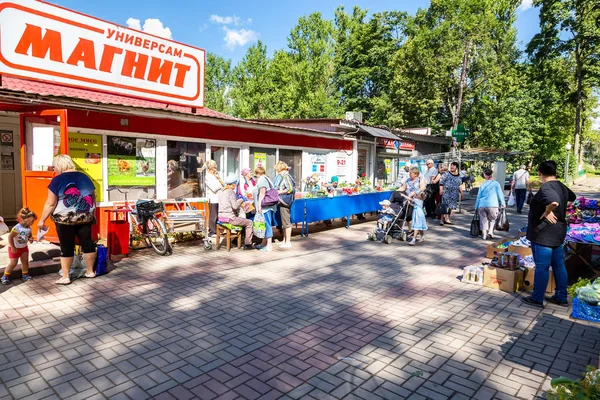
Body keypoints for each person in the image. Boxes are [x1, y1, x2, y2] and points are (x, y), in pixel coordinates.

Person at [522, 161, 576, 308]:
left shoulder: (547, 187)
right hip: (558, 233)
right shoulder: (561, 185)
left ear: (540, 173)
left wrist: (547, 211)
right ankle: (561, 296)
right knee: (559, 266)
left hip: (543, 234)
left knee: (542, 267)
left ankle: (537, 298)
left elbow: (555, 202)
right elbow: (572, 197)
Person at [38, 155, 97, 285]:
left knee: (66, 246)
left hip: (65, 219)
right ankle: (90, 271)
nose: (55, 169)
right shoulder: (84, 177)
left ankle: (65, 276)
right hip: (85, 217)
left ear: (59, 166)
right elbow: (93, 197)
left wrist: (42, 220)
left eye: (55, 167)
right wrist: (94, 213)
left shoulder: (57, 180)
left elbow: (50, 204)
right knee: (87, 243)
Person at [218, 175, 255, 250]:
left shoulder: (222, 191)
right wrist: (241, 200)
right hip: (229, 218)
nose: (235, 186)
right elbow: (235, 206)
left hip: (221, 217)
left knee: (241, 220)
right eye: (235, 184)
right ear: (233, 184)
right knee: (249, 222)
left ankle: (236, 240)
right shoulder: (231, 192)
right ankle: (248, 244)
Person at [2, 208, 37, 285]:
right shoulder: (17, 228)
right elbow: (10, 237)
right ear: (26, 219)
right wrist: (13, 247)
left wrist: (30, 239)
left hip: (24, 248)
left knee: (25, 262)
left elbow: (29, 236)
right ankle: (5, 276)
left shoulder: (29, 227)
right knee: (13, 263)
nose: (32, 222)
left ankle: (25, 275)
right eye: (32, 221)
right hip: (14, 248)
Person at [475, 169, 506, 240]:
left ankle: (484, 235)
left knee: (483, 220)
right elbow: (500, 194)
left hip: (482, 205)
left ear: (485, 175)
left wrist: (476, 206)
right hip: (493, 205)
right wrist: (503, 203)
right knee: (493, 219)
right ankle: (491, 231)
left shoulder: (482, 185)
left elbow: (478, 196)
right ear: (491, 175)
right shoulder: (496, 184)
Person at [254, 166, 277, 252]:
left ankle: (269, 245)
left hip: (265, 207)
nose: (256, 176)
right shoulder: (267, 178)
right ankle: (263, 243)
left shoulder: (261, 180)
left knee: (267, 225)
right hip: (269, 206)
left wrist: (259, 205)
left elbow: (262, 193)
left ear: (258, 173)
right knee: (265, 224)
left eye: (256, 174)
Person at [274, 161, 295, 248]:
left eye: (277, 169)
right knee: (284, 222)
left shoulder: (286, 177)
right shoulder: (284, 176)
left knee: (286, 222)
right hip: (282, 201)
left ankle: (288, 242)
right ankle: (284, 240)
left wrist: (279, 191)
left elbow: (290, 189)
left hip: (284, 201)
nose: (276, 171)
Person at [439, 161, 463, 226]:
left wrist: (462, 193)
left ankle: (447, 219)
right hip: (446, 193)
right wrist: (441, 190)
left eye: (454, 165)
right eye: (451, 165)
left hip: (454, 194)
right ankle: (441, 220)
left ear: (456, 167)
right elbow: (441, 182)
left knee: (451, 207)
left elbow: (460, 185)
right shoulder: (446, 174)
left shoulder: (459, 176)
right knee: (444, 206)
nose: (452, 167)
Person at [205, 160, 223, 237]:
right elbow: (214, 188)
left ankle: (217, 230)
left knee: (218, 214)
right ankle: (212, 231)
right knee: (213, 215)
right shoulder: (208, 176)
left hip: (219, 198)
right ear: (210, 167)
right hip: (213, 198)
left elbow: (223, 184)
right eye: (214, 165)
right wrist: (220, 185)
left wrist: (219, 178)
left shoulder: (216, 175)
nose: (216, 167)